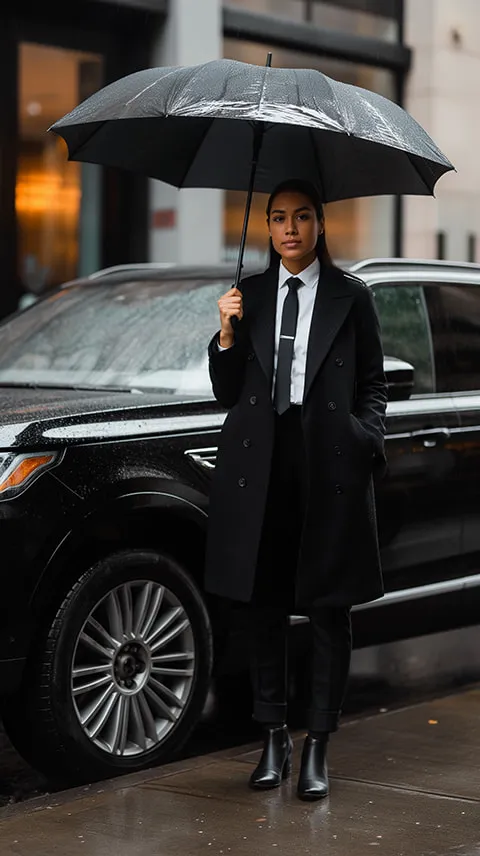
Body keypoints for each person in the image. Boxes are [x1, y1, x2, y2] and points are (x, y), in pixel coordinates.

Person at [205, 178, 387, 801]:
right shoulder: (247, 296)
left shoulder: (351, 297)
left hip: (329, 471)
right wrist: (226, 335)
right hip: (262, 471)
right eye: (279, 218)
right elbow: (227, 394)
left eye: (301, 217)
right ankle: (273, 736)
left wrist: (366, 440)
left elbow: (373, 385)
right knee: (264, 609)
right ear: (268, 227)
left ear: (319, 225)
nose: (289, 228)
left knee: (330, 612)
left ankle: (318, 746)